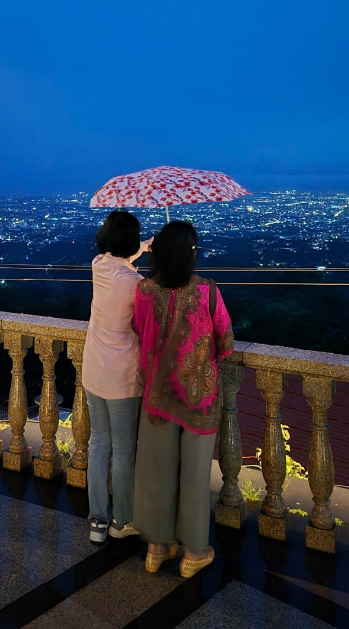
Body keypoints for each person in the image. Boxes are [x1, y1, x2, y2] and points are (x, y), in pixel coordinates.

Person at [132, 221, 234, 577]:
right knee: (193, 476)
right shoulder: (207, 290)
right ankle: (193, 553)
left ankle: (156, 549)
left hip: (158, 393)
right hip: (198, 398)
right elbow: (225, 339)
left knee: (155, 473)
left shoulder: (144, 291)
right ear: (191, 254)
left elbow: (139, 332)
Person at [82, 209, 151, 544]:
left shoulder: (99, 266)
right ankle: (121, 521)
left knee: (99, 445)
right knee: (124, 450)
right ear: (131, 241)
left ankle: (97, 520)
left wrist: (143, 248)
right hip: (122, 377)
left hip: (94, 370)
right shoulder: (137, 286)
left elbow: (120, 260)